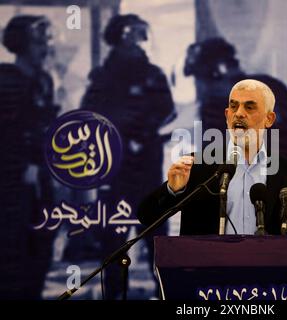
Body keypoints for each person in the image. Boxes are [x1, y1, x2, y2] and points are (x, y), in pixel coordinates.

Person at [138, 79, 287, 236]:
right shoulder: (199, 166)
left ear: (269, 119)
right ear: (227, 115)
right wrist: (172, 190)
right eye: (234, 107)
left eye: (249, 107)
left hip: (270, 284)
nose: (239, 114)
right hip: (207, 285)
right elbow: (146, 216)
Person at [80, 14, 176, 299]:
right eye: (137, 34)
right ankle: (113, 295)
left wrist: (144, 132)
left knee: (157, 241)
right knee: (113, 243)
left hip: (147, 169)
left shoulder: (154, 74)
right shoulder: (102, 76)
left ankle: (164, 294)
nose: (143, 42)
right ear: (123, 37)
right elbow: (89, 114)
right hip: (115, 170)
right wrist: (118, 131)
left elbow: (168, 109)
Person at [183, 37, 287, 170]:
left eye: (200, 79)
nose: (200, 87)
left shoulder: (263, 91)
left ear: (218, 73)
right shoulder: (215, 105)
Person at [0, 15, 59, 299]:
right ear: (21, 44)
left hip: (41, 179)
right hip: (11, 181)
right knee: (11, 251)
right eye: (38, 43)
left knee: (41, 247)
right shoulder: (5, 81)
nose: (45, 48)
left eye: (46, 42)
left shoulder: (45, 81)